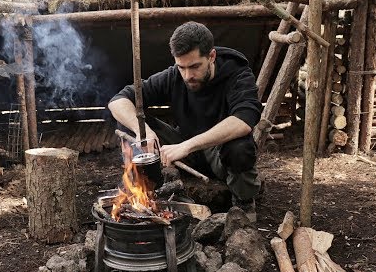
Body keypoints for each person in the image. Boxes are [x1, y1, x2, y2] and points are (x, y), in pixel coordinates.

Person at [108, 21, 263, 222]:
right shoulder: (175, 76)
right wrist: (143, 132)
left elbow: (244, 120)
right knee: (130, 125)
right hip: (186, 151)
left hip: (220, 156)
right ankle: (146, 192)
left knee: (240, 146)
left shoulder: (238, 74)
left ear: (212, 56)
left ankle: (243, 203)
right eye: (182, 67)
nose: (188, 76)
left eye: (195, 66)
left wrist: (187, 146)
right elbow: (118, 101)